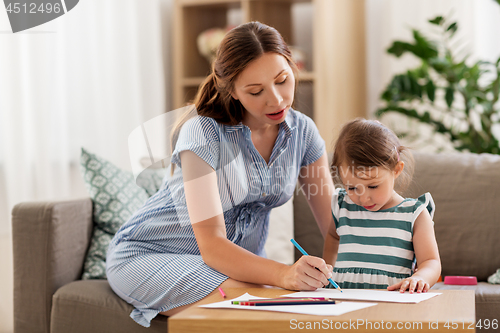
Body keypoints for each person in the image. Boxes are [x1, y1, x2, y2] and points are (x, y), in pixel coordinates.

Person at [106, 21, 335, 328]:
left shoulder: (302, 132)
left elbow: (335, 225)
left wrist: (346, 272)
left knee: (280, 297)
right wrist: (284, 273)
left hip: (230, 267)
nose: (277, 99)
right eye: (256, 91)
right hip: (148, 254)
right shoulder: (203, 133)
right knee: (262, 302)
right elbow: (212, 244)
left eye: (282, 80)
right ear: (234, 91)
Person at [323, 118, 441, 293]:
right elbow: (333, 237)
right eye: (352, 187)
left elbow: (431, 261)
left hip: (393, 302)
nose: (363, 199)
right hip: (344, 300)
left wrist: (420, 278)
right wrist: (326, 270)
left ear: (396, 170)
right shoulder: (343, 207)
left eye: (373, 186)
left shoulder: (414, 214)